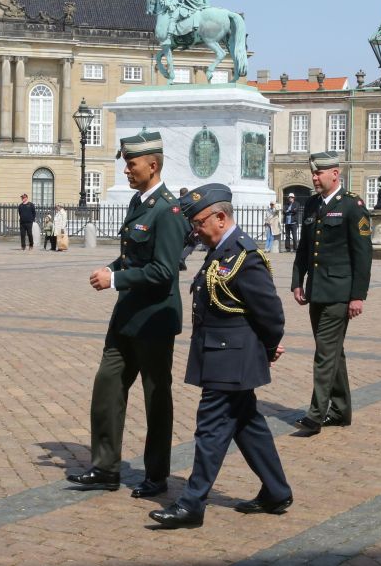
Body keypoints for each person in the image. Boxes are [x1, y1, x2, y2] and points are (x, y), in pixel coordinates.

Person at [148, 184, 292, 529]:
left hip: (231, 361)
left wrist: (269, 347)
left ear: (221, 217)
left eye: (199, 223)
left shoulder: (245, 255)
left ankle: (192, 503)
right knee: (247, 424)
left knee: (210, 430)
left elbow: (271, 314)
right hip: (223, 356)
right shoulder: (220, 251)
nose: (195, 230)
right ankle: (276, 490)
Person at [68, 131, 188, 498]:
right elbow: (133, 256)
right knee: (107, 385)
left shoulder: (168, 211)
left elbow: (164, 270)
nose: (126, 169)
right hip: (126, 316)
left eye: (131, 164)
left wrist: (116, 278)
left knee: (156, 398)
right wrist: (112, 267)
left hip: (154, 318)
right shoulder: (139, 203)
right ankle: (105, 467)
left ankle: (156, 475)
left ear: (152, 165)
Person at [290, 151, 372, 435]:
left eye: (319, 173)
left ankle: (315, 415)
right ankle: (340, 410)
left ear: (334, 174)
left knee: (324, 353)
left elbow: (363, 255)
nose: (314, 177)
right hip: (317, 291)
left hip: (340, 292)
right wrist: (297, 280)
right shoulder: (313, 204)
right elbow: (304, 247)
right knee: (333, 353)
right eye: (313, 173)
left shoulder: (352, 206)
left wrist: (358, 295)